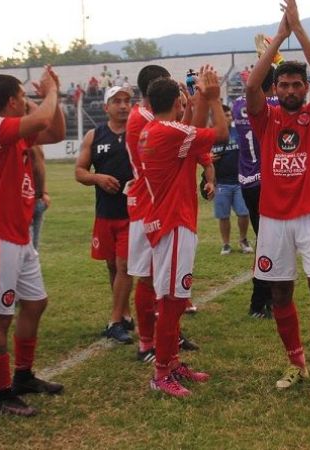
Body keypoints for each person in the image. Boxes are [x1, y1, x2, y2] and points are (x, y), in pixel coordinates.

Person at [245, 0, 310, 394]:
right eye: (283, 85)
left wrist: (297, 30)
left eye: (296, 84)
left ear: (304, 89)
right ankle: (295, 361)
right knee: (280, 292)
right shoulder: (265, 117)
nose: (289, 90)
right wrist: (279, 36)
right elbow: (251, 86)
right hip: (273, 217)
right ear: (276, 89)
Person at [0, 67, 65, 417]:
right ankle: (2, 394)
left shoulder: (14, 133)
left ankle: (23, 376)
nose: (27, 102)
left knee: (35, 303)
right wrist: (49, 93)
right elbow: (42, 119)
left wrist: (50, 97)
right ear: (11, 102)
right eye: (23, 97)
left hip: (17, 235)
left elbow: (55, 131)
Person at [140, 69, 228, 398]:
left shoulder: (152, 131)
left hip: (168, 220)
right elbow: (221, 132)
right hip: (173, 222)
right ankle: (162, 372)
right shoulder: (169, 132)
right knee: (172, 301)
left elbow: (192, 130)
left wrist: (198, 99)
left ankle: (172, 363)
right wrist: (213, 97)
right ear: (177, 103)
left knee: (173, 300)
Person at [126, 65, 200, 364]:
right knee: (148, 278)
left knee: (165, 281)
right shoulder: (146, 120)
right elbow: (186, 132)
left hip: (156, 201)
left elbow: (185, 133)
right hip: (149, 204)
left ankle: (168, 339)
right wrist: (194, 104)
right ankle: (147, 343)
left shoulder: (148, 118)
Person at [75, 85, 135, 344]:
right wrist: (97, 178)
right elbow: (79, 171)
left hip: (132, 213)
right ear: (106, 107)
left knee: (124, 266)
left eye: (127, 100)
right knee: (112, 265)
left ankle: (115, 321)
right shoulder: (94, 135)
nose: (123, 105)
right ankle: (125, 313)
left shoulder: (138, 132)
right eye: (117, 101)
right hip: (105, 213)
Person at [233, 69, 277, 319]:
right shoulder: (272, 105)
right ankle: (260, 300)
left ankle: (267, 296)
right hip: (264, 181)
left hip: (247, 181)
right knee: (268, 242)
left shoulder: (238, 104)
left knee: (266, 239)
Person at [212, 106, 253, 256]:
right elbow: (201, 155)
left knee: (244, 212)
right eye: (223, 115)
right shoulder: (212, 135)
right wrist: (207, 158)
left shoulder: (239, 133)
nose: (226, 118)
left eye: (228, 115)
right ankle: (226, 244)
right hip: (221, 183)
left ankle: (243, 240)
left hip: (240, 181)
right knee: (223, 216)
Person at [29, 144, 50, 250]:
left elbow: (39, 164)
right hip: (24, 201)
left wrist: (44, 192)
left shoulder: (35, 141)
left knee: (32, 248)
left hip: (37, 199)